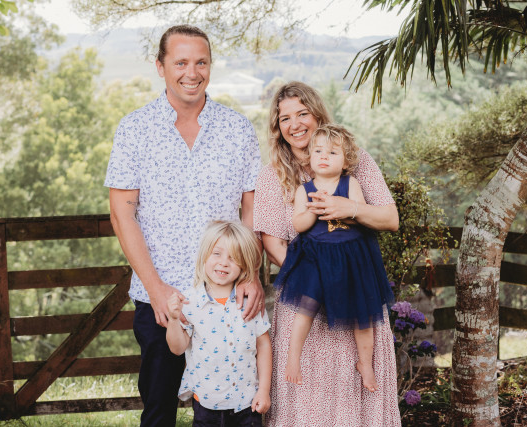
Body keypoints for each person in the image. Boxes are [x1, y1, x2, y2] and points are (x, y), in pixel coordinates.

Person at [105, 25, 265, 427]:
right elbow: (122, 215)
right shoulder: (135, 129)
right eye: (180, 63)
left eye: (201, 62)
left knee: (229, 411)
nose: (191, 73)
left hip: (228, 295)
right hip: (163, 297)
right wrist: (156, 289)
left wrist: (251, 275)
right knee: (159, 410)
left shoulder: (237, 129)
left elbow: (252, 210)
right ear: (160, 66)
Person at [254, 81, 401, 426]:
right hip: (306, 296)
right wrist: (318, 282)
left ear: (318, 115)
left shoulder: (355, 160)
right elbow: (273, 244)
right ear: (278, 127)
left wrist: (351, 208)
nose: (295, 124)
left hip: (356, 292)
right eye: (285, 118)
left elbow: (390, 218)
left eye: (302, 113)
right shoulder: (272, 176)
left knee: (356, 389)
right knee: (308, 396)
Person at [274, 124, 395, 391]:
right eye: (318, 151)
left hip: (351, 256)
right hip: (316, 257)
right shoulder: (305, 190)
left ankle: (365, 364)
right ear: (309, 158)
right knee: (305, 309)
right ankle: (293, 358)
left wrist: (345, 210)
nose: (324, 157)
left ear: (346, 161)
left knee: (363, 315)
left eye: (332, 152)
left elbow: (360, 216)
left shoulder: (350, 184)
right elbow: (298, 225)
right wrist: (313, 210)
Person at [166, 220, 272, 426]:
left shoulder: (250, 303)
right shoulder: (190, 301)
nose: (224, 263)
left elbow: (264, 345)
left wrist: (264, 390)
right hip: (207, 405)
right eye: (217, 254)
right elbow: (177, 348)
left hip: (247, 403)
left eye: (233, 258)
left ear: (244, 264)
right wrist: (173, 319)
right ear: (204, 256)